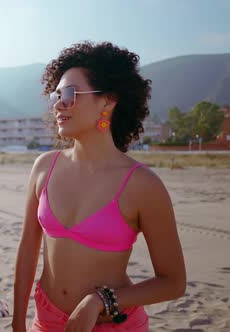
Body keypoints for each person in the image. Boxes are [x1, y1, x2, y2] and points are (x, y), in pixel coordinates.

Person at [12, 42, 186, 332]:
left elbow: (173, 282)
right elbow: (28, 250)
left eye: (69, 94)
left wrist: (99, 301)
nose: (57, 104)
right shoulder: (44, 167)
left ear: (107, 101)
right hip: (47, 322)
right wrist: (18, 323)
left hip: (113, 324)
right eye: (56, 95)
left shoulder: (142, 185)